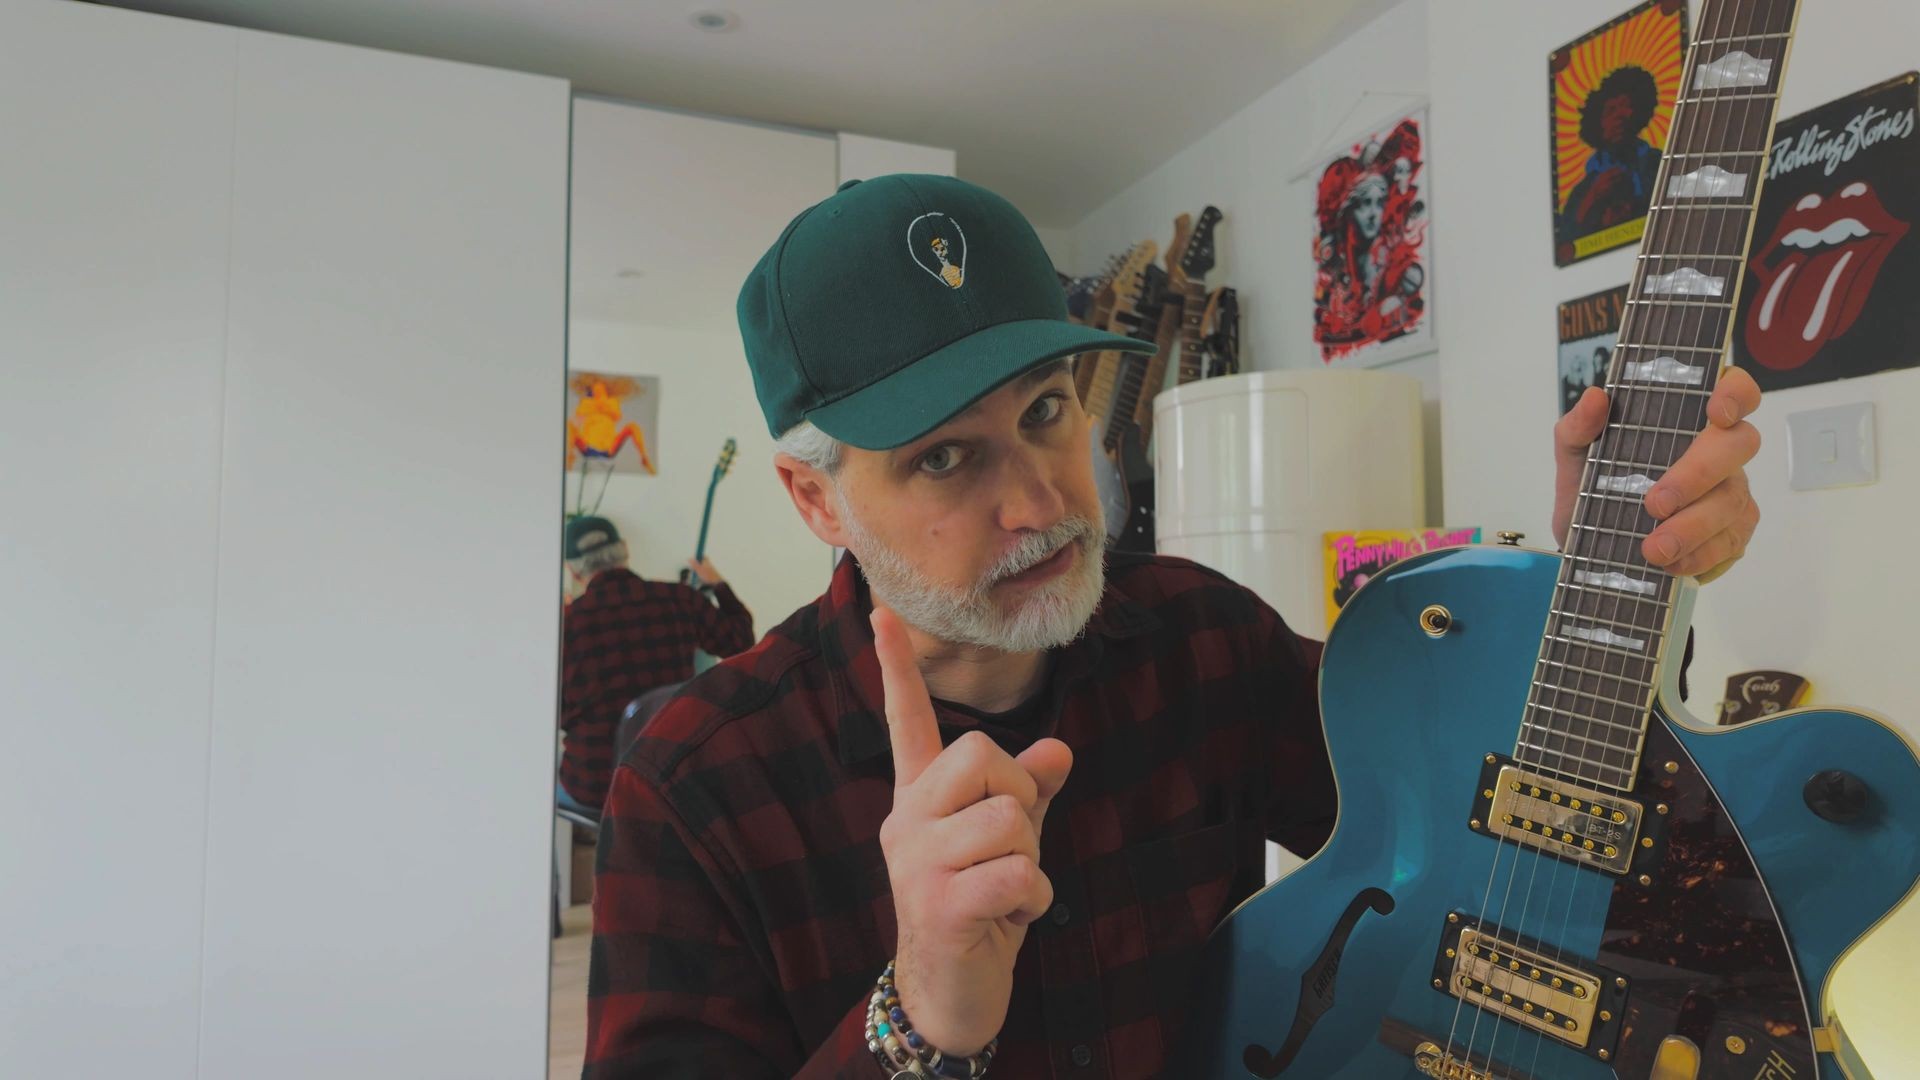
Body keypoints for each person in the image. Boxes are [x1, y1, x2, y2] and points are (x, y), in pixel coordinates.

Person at [582, 175, 1762, 1078]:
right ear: (816, 498)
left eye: (1046, 411)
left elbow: (1502, 818)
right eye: (944, 456)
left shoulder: (1201, 639)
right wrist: (922, 1014)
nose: (1043, 502)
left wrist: (1613, 575)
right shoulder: (697, 782)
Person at [558, 515, 753, 811]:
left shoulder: (566, 623)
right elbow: (740, 642)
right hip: (668, 780)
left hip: (595, 788)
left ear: (571, 568)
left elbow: (554, 715)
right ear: (624, 549)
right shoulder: (678, 599)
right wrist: (718, 585)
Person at [1558, 65, 1664, 244]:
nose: (1620, 116)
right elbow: (1567, 240)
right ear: (1597, 123)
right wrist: (1592, 198)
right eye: (1611, 110)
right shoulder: (1583, 190)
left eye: (1626, 106)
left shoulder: (1658, 162)